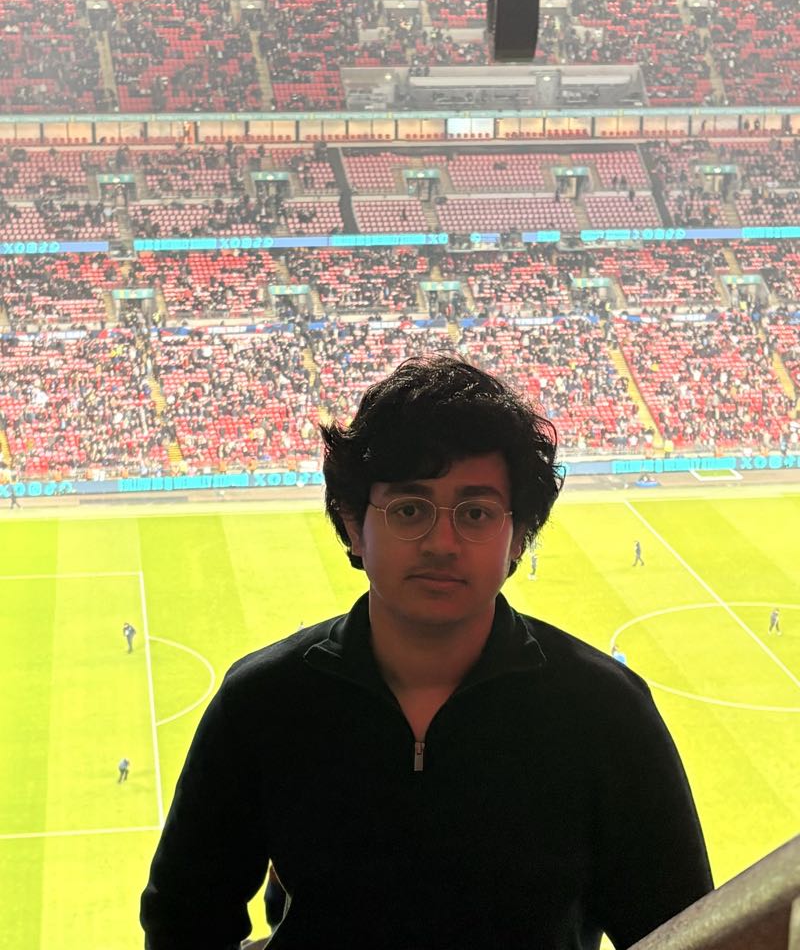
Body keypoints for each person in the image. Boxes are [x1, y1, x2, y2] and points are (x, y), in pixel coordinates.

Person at [141, 355, 712, 950]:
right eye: (409, 509)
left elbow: (684, 931)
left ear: (518, 537)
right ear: (353, 524)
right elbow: (185, 917)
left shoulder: (605, 711)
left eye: (476, 513)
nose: (442, 542)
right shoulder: (263, 702)